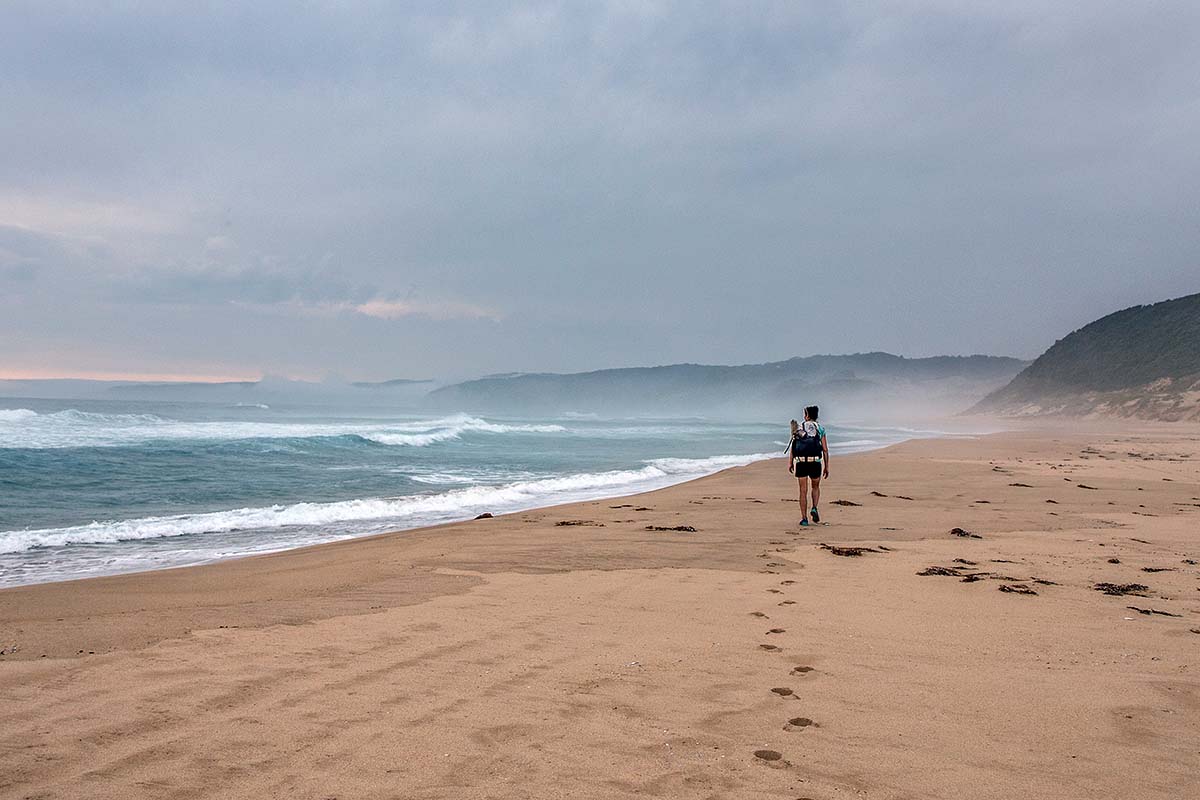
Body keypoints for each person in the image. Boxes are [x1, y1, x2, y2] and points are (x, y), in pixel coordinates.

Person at [786, 406, 829, 526]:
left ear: (807, 415)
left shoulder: (798, 427)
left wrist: (790, 462)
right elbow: (825, 449)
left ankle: (804, 519)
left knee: (802, 491)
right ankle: (814, 508)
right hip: (815, 462)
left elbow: (793, 447)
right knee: (815, 487)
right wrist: (826, 466)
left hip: (801, 462)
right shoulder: (820, 428)